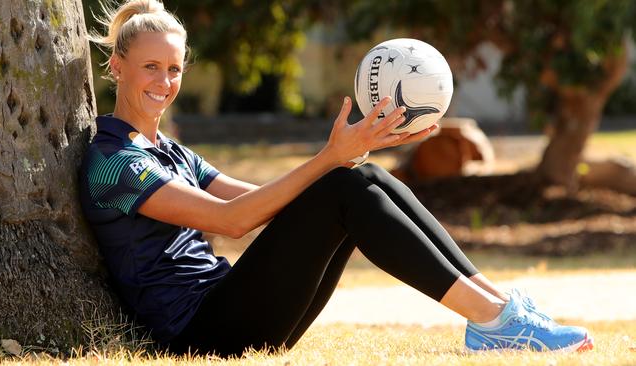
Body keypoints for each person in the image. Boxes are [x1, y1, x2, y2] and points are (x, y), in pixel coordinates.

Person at [79, 0, 594, 357]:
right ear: (116, 66)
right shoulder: (113, 161)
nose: (164, 82)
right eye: (151, 67)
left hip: (235, 310)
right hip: (199, 332)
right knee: (342, 183)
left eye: (173, 69)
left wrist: (353, 150)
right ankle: (494, 320)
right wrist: (329, 158)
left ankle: (497, 309)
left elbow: (265, 202)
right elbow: (233, 221)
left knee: (359, 174)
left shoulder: (170, 151)